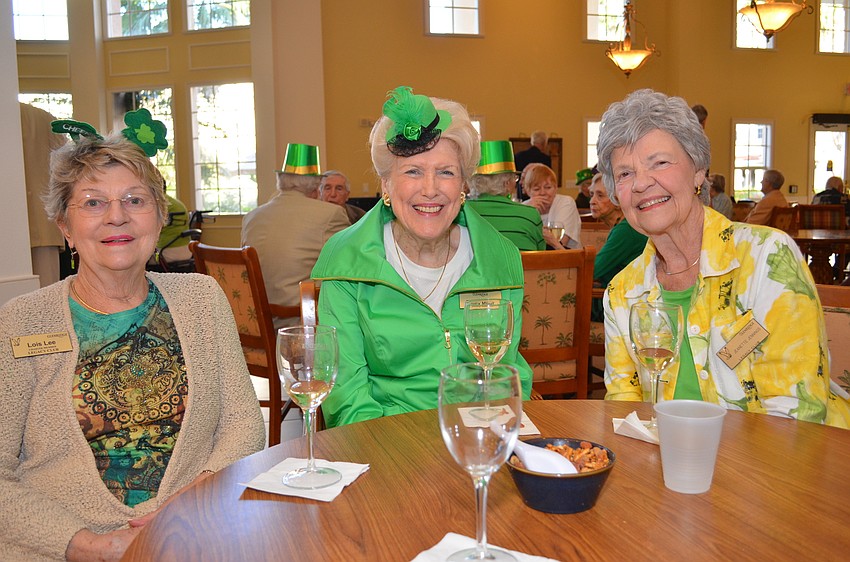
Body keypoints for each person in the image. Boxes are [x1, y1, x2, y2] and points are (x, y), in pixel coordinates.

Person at [0, 111, 265, 562]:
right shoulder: (23, 321)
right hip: (60, 547)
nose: (117, 217)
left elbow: (244, 424)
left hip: (194, 533)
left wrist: (197, 495)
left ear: (160, 216)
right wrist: (90, 546)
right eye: (93, 203)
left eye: (135, 200)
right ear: (65, 226)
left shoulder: (201, 297)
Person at [597, 88, 849, 429]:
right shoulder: (622, 293)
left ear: (699, 172)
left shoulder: (765, 259)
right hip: (676, 469)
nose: (642, 183)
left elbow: (796, 414)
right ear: (617, 194)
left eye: (659, 162)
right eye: (625, 174)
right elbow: (625, 413)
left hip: (790, 468)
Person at [311, 86, 533, 427]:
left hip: (476, 437)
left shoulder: (499, 258)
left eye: (445, 172)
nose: (430, 189)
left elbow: (507, 376)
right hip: (385, 441)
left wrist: (486, 448)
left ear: (463, 186)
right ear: (386, 185)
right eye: (413, 171)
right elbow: (348, 396)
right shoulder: (347, 261)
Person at [241, 143, 349, 325]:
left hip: (256, 323)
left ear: (281, 181)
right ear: (316, 186)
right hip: (301, 324)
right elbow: (347, 267)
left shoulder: (251, 217)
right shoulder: (330, 214)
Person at [588, 173, 647, 322]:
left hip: (625, 306)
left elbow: (591, 270)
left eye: (600, 196)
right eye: (592, 194)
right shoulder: (627, 225)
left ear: (618, 200)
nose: (592, 201)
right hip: (625, 298)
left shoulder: (626, 230)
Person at [20, 102, 67, 287]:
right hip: (44, 219)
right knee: (47, 291)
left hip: (20, 222)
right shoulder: (44, 119)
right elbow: (65, 171)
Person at [467, 140, 545, 251]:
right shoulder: (530, 215)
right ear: (507, 183)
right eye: (515, 178)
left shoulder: (461, 212)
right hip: (522, 268)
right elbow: (540, 258)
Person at [522, 163, 581, 249]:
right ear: (528, 191)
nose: (542, 193)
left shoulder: (566, 203)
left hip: (565, 257)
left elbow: (560, 242)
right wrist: (530, 211)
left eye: (548, 187)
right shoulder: (524, 207)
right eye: (536, 189)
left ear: (556, 188)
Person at [514, 130, 552, 200]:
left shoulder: (519, 156)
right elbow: (548, 179)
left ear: (532, 142)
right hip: (539, 195)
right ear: (544, 143)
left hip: (522, 193)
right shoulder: (545, 159)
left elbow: (515, 176)